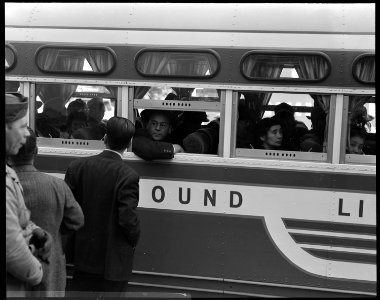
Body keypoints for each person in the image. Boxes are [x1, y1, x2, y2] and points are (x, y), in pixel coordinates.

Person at [64, 116, 140, 292]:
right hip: (112, 262)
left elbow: (67, 209)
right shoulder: (128, 175)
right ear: (129, 144)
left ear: (105, 138)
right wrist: (133, 241)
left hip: (82, 256)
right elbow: (128, 219)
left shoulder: (77, 166)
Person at [10, 127, 85, 297]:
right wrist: (54, 229)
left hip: (14, 274)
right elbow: (77, 220)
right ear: (36, 151)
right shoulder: (57, 185)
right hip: (51, 272)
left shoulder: (10, 187)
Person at [6, 92, 52, 296]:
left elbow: (19, 220)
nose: (27, 135)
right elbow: (12, 250)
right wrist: (37, 273)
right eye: (22, 126)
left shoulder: (9, 172)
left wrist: (36, 232)